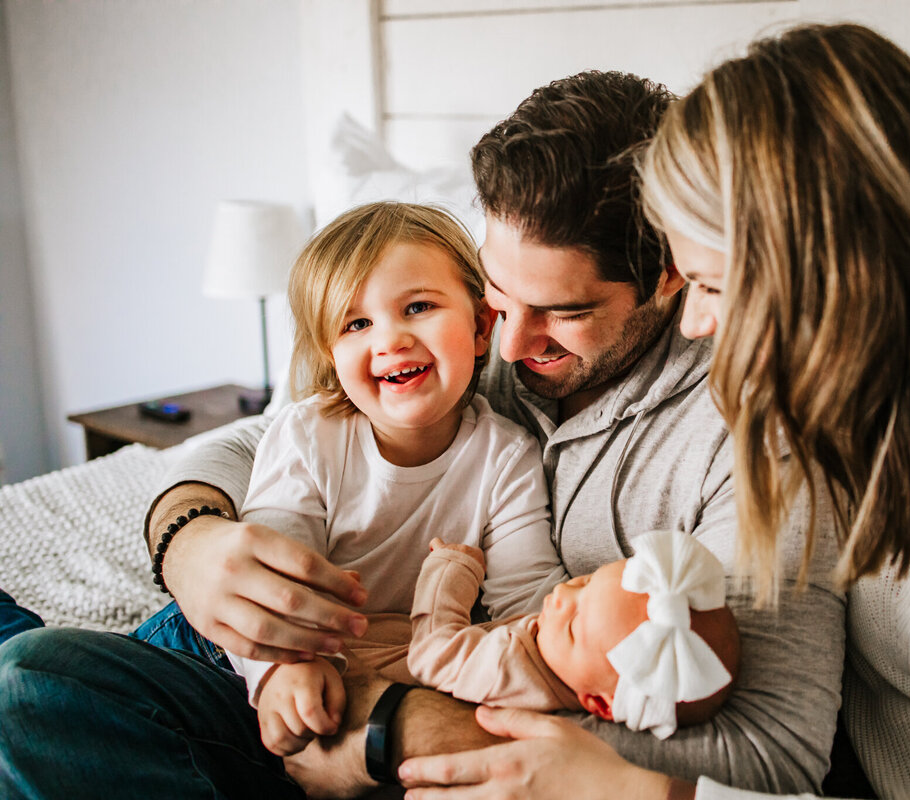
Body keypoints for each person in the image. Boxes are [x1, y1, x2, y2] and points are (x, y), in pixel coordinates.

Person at [396, 23, 910, 800]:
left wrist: (643, 793)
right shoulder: (849, 400)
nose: (699, 326)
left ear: (837, 278)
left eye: (711, 285)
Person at [0, 70, 844, 800]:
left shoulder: (751, 448)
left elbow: (774, 759)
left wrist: (393, 729)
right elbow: (268, 441)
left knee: (32, 690)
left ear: (669, 275)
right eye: (500, 300)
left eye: (568, 311)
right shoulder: (481, 352)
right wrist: (189, 538)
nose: (510, 350)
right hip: (287, 676)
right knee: (32, 674)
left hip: (379, 726)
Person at [226, 201, 566, 757]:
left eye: (418, 307)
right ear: (331, 355)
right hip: (252, 648)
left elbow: (525, 601)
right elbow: (272, 581)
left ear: (482, 327)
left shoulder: (506, 455)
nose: (391, 340)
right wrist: (283, 669)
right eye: (357, 324)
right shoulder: (308, 438)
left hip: (398, 664)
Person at [408, 531, 740, 739]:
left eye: (572, 626)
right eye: (587, 581)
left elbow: (430, 655)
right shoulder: (564, 664)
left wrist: (451, 569)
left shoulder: (509, 671)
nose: (563, 592)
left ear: (597, 703)